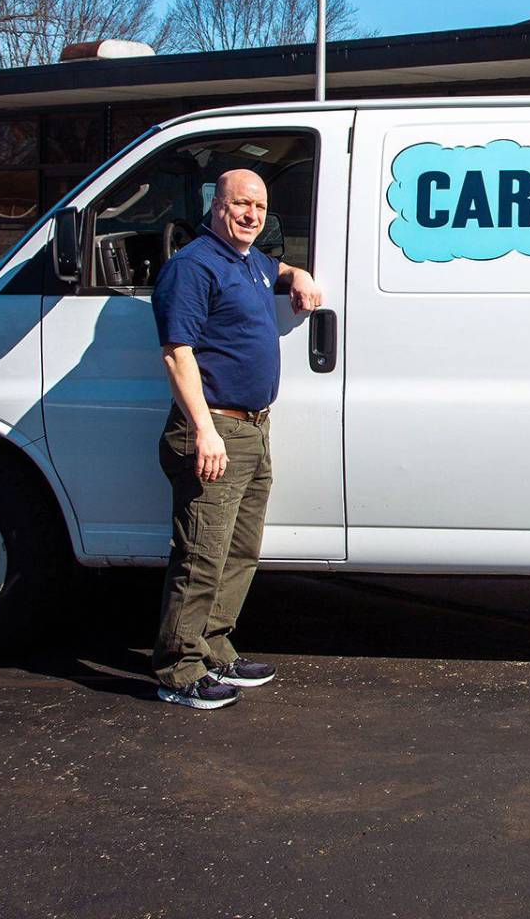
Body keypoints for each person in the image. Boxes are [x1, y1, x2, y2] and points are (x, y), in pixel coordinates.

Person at [150, 167, 321, 710]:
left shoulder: (247, 262)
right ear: (215, 204)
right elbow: (178, 354)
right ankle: (178, 670)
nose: (251, 214)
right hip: (216, 429)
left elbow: (277, 265)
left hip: (252, 428)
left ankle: (214, 646)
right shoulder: (194, 266)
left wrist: (297, 274)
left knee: (239, 550)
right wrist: (204, 430)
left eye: (260, 207)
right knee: (201, 554)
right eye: (241, 204)